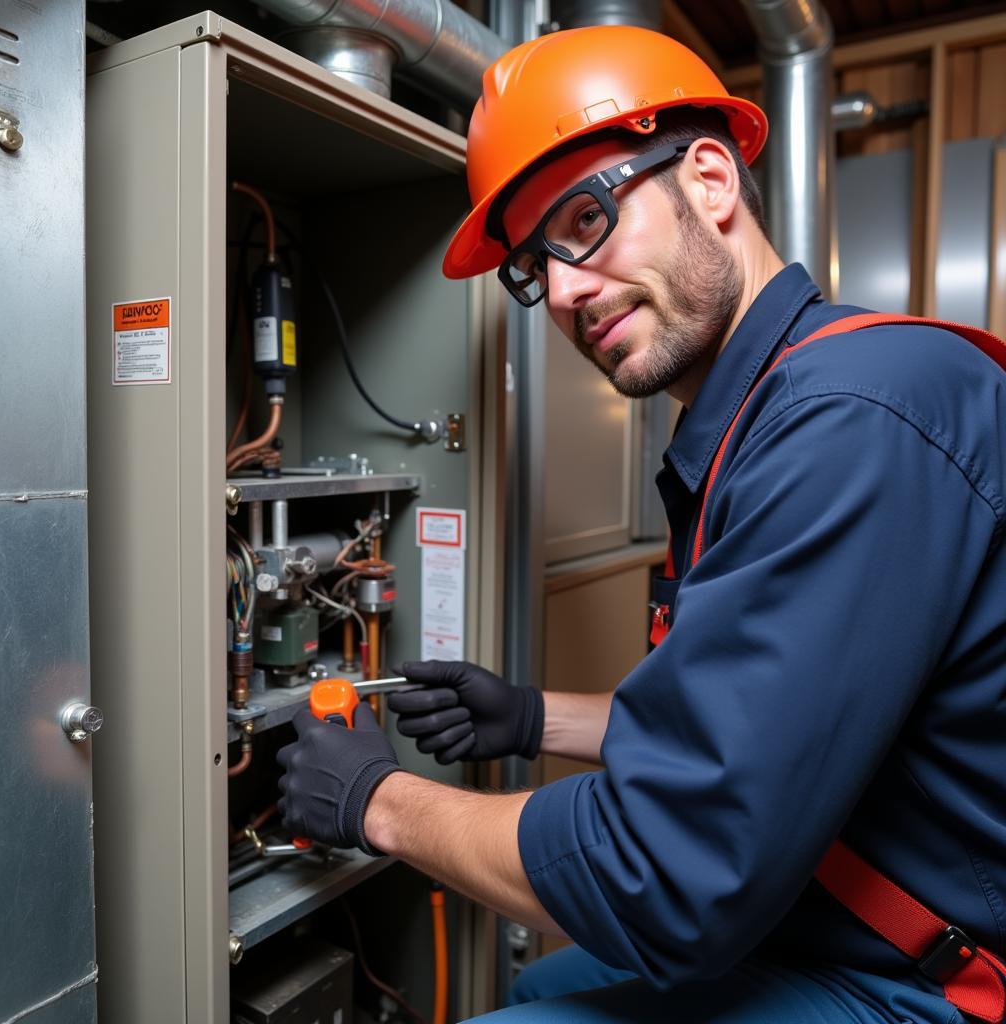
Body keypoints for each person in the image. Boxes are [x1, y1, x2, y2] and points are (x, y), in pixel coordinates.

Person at [277, 25, 1006, 1024]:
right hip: (828, 915)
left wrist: (376, 801)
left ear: (709, 178)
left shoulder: (849, 419)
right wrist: (534, 717)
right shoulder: (767, 417)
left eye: (585, 217)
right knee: (541, 982)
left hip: (930, 984)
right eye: (537, 265)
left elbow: (668, 870)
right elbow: (752, 735)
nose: (565, 291)